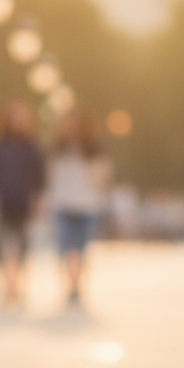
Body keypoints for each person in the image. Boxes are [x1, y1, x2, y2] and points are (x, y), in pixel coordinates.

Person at [0, 99, 45, 309]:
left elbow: (40, 176)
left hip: (23, 204)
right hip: (1, 203)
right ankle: (5, 285)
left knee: (23, 247)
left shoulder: (31, 147)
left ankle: (18, 286)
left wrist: (39, 198)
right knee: (0, 247)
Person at [47, 107, 112, 307]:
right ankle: (70, 287)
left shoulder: (93, 149)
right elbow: (49, 176)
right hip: (62, 203)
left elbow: (102, 177)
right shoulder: (56, 149)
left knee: (82, 249)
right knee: (66, 248)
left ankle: (78, 286)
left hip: (87, 204)